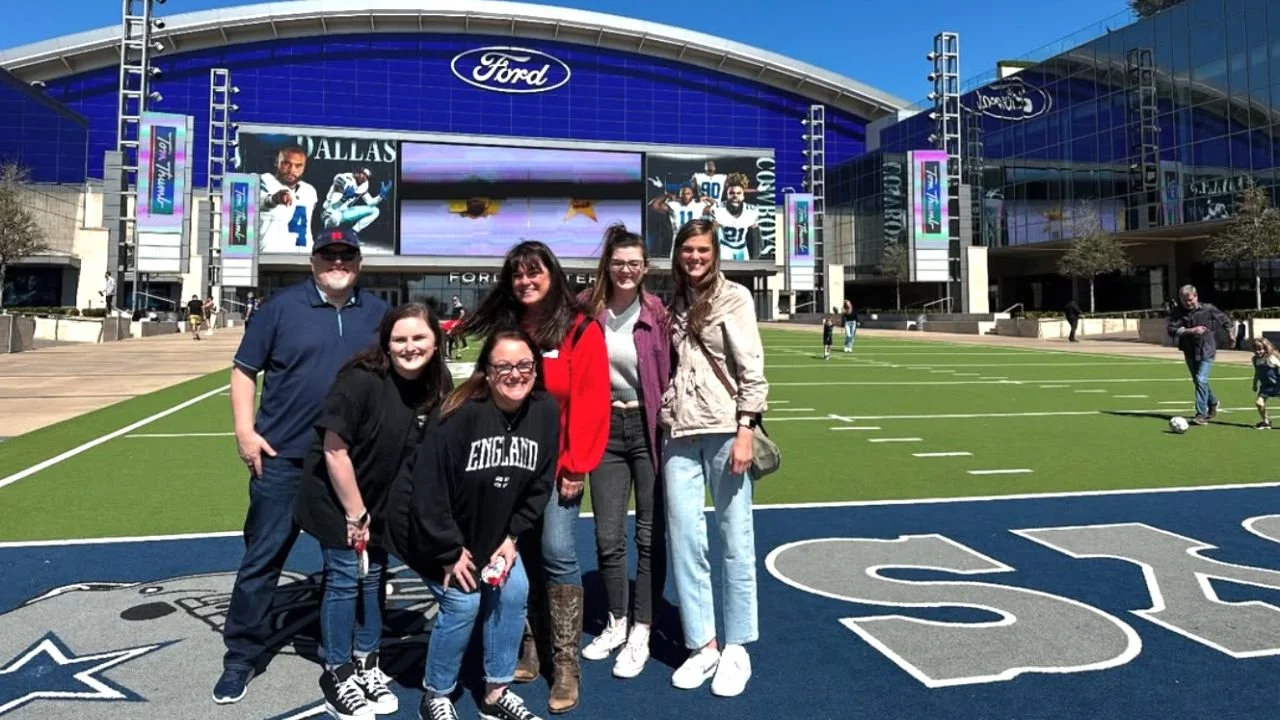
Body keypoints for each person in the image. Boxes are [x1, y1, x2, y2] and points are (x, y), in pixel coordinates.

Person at [214, 228, 388, 705]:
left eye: (346, 255)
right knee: (262, 559)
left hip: (350, 464)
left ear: (358, 262)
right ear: (313, 262)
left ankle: (359, 654)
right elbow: (244, 370)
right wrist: (245, 432)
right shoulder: (279, 309)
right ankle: (240, 656)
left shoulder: (377, 314)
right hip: (284, 459)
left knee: (359, 562)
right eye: (328, 255)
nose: (337, 262)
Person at [461, 241, 610, 714]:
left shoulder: (580, 328)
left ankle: (565, 663)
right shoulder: (510, 329)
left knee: (558, 552)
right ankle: (526, 642)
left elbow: (590, 399)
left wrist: (576, 464)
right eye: (518, 274)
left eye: (535, 272)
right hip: (510, 463)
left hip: (558, 464)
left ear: (553, 275)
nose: (526, 281)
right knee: (514, 554)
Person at [388, 328, 560, 720]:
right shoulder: (458, 416)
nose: (515, 374)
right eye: (503, 366)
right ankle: (436, 694)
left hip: (490, 536)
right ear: (486, 370)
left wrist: (513, 535)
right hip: (424, 530)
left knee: (515, 589)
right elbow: (427, 493)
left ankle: (496, 692)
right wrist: (449, 550)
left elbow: (540, 483)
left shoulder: (545, 412)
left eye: (524, 365)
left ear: (535, 369)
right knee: (464, 600)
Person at [294, 303, 452, 719]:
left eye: (419, 337)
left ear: (436, 341)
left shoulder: (438, 383)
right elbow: (334, 449)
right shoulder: (360, 380)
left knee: (375, 575)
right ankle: (338, 669)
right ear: (386, 342)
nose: (409, 346)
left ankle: (367, 659)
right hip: (336, 495)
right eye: (399, 339)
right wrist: (355, 513)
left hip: (382, 497)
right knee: (346, 576)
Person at [660, 218, 768, 698]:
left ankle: (738, 645)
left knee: (734, 537)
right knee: (685, 540)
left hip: (726, 429)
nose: (695, 257)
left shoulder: (736, 297)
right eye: (688, 250)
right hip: (679, 431)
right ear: (678, 254)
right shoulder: (671, 301)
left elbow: (752, 368)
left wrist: (746, 429)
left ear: (715, 253)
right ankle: (703, 643)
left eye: (703, 250)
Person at [577, 224, 670, 679]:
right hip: (605, 429)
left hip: (649, 427)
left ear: (645, 267)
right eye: (619, 262)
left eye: (635, 262)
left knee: (650, 536)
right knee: (607, 535)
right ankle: (616, 621)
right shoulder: (586, 310)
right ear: (607, 266)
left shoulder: (658, 312)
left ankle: (642, 630)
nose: (626, 270)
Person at [1166, 284, 1230, 427]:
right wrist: (1190, 330)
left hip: (1207, 350)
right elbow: (1171, 329)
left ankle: (1201, 414)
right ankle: (1213, 402)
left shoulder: (1208, 309)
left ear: (1196, 297)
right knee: (1198, 381)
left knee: (1201, 379)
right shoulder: (1178, 312)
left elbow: (1224, 320)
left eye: (1190, 300)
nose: (1187, 303)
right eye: (1184, 301)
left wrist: (1231, 335)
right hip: (1189, 350)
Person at [260, 145, 319, 252]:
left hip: (303, 259)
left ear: (304, 167)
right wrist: (274, 199)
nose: (292, 170)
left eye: (298, 165)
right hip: (269, 259)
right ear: (276, 162)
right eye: (287, 163)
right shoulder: (263, 181)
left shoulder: (309, 191)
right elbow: (259, 201)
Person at [1251, 338, 1280, 430]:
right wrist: (1254, 383)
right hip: (1266, 386)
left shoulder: (1271, 358)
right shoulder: (1255, 359)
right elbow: (1257, 372)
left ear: (1266, 348)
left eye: (1260, 349)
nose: (1258, 352)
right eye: (1256, 349)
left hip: (1277, 385)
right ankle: (1266, 422)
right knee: (1259, 403)